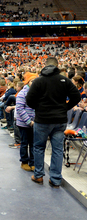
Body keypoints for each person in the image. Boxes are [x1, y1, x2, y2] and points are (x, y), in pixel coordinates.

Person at [26, 57, 81, 188]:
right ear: (57, 66)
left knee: (39, 148)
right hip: (59, 120)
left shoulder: (38, 81)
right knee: (57, 149)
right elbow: (77, 97)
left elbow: (29, 100)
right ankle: (55, 179)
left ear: (45, 65)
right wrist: (65, 107)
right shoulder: (65, 80)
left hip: (42, 120)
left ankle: (38, 176)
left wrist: (38, 108)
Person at [16, 72, 37, 172]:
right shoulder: (22, 93)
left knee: (33, 143)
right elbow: (20, 109)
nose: (34, 82)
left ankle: (33, 162)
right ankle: (24, 162)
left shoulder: (38, 93)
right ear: (28, 82)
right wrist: (29, 121)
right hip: (24, 124)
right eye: (32, 81)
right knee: (24, 143)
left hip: (35, 123)